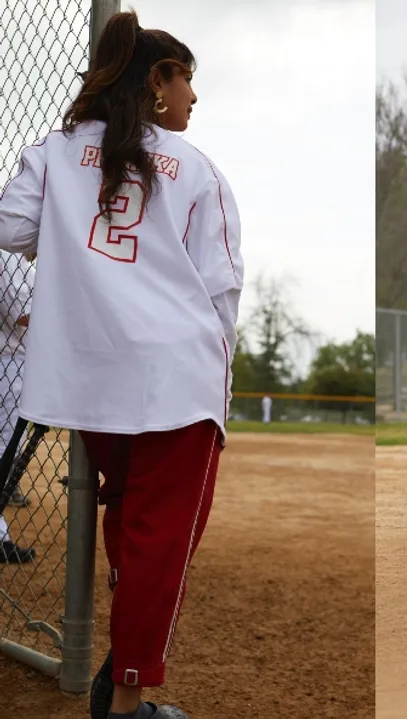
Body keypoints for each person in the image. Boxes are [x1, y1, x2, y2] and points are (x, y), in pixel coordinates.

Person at [0, 11, 243, 719]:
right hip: (175, 380)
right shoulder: (197, 167)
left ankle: (119, 661)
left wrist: (71, 224)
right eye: (186, 80)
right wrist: (217, 394)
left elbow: (11, 227)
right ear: (158, 83)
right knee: (163, 542)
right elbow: (221, 289)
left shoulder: (57, 147)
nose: (193, 98)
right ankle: (129, 699)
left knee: (128, 519)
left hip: (84, 379)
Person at [0, 251, 35, 564]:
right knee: (5, 450)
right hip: (9, 365)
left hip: (16, 363)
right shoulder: (7, 257)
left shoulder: (21, 263)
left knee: (8, 450)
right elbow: (22, 315)